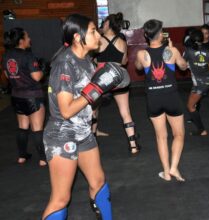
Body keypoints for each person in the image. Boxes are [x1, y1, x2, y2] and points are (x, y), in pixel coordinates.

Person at [42, 14, 129, 219]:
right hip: (62, 136)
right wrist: (96, 88)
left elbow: (88, 99)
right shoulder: (65, 64)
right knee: (61, 198)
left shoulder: (87, 61)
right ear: (76, 37)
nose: (97, 34)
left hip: (83, 132)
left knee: (98, 182)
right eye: (92, 31)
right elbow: (66, 110)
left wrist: (103, 92)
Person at [135, 19, 187, 182]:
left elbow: (137, 68)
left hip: (153, 98)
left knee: (161, 137)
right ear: (161, 34)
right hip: (171, 97)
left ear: (146, 35)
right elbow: (184, 67)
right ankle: (174, 167)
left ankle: (165, 171)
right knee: (178, 134)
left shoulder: (142, 54)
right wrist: (171, 48)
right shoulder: (172, 51)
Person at [95, 12, 141, 156]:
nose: (102, 25)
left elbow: (94, 60)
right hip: (119, 77)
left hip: (102, 79)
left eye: (104, 22)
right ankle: (133, 145)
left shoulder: (98, 40)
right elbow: (124, 62)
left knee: (93, 110)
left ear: (108, 24)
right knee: (125, 112)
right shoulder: (122, 41)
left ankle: (92, 141)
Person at [2, 27, 47, 166]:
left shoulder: (6, 55)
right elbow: (37, 76)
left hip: (17, 96)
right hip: (32, 96)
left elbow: (7, 75)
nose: (29, 39)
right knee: (37, 128)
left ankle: (22, 156)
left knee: (23, 127)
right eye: (27, 37)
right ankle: (43, 159)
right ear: (21, 41)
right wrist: (43, 69)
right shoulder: (28, 56)